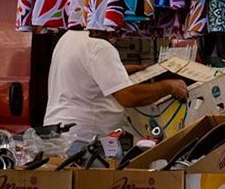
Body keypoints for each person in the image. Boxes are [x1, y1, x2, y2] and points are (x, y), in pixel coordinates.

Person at [42, 28, 187, 146]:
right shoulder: (98, 46)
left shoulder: (70, 36)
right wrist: (168, 86)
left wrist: (116, 72)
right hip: (84, 141)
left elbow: (82, 73)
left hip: (61, 134)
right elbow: (128, 97)